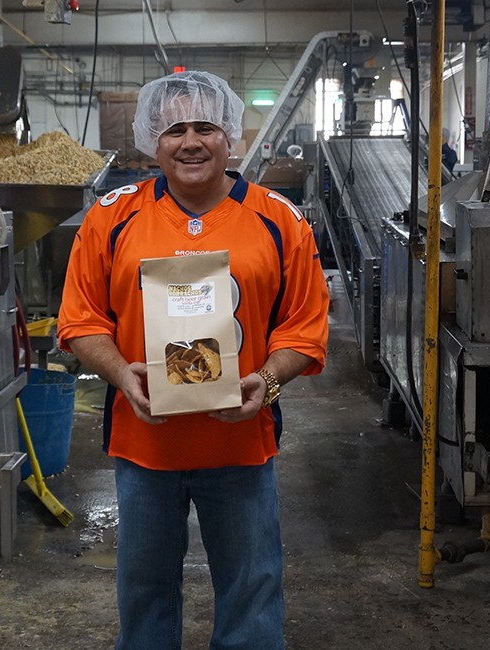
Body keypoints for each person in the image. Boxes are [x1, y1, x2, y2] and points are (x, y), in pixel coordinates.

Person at [57, 70, 329, 650]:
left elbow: (304, 328)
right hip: (145, 443)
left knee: (252, 591)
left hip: (241, 443)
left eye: (206, 126)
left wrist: (267, 381)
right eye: (175, 128)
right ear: (152, 139)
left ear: (230, 134)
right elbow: (80, 321)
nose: (191, 141)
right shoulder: (112, 217)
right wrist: (119, 374)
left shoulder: (280, 220)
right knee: (145, 592)